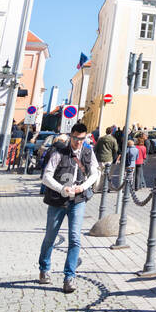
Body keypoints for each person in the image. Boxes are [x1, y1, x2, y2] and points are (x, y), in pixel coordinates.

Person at [39, 122, 100, 294]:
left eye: (81, 139)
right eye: (75, 138)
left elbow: (95, 173)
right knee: (50, 236)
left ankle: (69, 277)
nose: (78, 142)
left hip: (78, 200)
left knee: (75, 238)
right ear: (70, 136)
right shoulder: (59, 153)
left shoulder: (88, 152)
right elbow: (46, 176)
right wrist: (61, 188)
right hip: (58, 200)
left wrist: (84, 186)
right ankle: (44, 268)